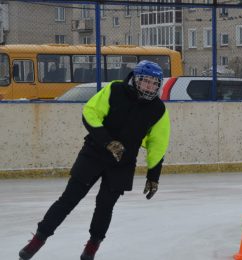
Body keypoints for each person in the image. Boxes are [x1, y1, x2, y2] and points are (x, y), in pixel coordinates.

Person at [18, 60, 170, 260]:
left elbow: (158, 144)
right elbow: (90, 113)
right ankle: (38, 239)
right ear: (135, 79)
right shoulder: (115, 90)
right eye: (146, 81)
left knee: (105, 206)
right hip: (94, 154)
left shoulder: (158, 110)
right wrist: (107, 142)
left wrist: (153, 176)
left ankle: (92, 247)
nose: (150, 87)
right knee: (69, 199)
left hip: (122, 164)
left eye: (154, 83)